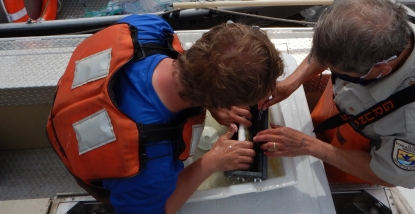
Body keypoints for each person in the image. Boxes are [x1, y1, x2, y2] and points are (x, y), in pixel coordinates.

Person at [47, 14, 284, 214]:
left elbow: (200, 71)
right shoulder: (150, 163)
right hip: (86, 153)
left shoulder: (149, 28)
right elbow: (162, 209)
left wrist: (212, 102)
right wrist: (211, 162)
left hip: (70, 103)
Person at [254, 0, 415, 188]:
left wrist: (310, 146)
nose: (328, 68)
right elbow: (326, 54)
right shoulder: (382, 17)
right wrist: (292, 82)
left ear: (380, 69)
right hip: (335, 112)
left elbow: (389, 175)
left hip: (358, 158)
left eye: (340, 73)